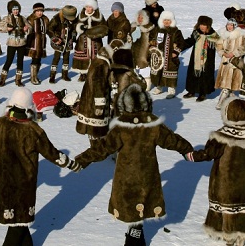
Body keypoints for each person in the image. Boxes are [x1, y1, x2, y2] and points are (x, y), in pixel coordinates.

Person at [76, 84, 192, 246]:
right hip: (147, 175)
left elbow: (102, 149)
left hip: (126, 178)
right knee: (140, 207)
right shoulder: (153, 124)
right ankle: (135, 236)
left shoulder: (121, 126)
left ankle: (134, 238)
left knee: (132, 211)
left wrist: (81, 160)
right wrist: (188, 151)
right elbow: (172, 140)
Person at [0, 88, 81, 246]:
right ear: (29, 107)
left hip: (1, 181)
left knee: (19, 222)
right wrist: (71, 164)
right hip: (24, 184)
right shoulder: (33, 130)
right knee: (18, 224)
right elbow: (52, 154)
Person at [185, 98, 245, 246]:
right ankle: (243, 235)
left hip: (227, 182)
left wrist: (191, 156)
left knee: (229, 208)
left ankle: (230, 237)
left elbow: (209, 153)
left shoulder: (221, 135)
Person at [150, 11, 187, 99]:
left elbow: (181, 43)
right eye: (165, 20)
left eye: (168, 20)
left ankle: (171, 89)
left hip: (170, 57)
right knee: (159, 72)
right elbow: (151, 38)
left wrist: (176, 52)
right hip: (159, 56)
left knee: (171, 72)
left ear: (172, 21)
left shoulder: (176, 31)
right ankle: (159, 87)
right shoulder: (157, 30)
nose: (166, 22)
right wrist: (152, 45)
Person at [182, 16, 220, 102]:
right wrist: (180, 45)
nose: (202, 27)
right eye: (201, 24)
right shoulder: (196, 33)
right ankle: (191, 91)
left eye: (204, 25)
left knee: (205, 76)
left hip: (207, 60)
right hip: (195, 58)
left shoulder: (213, 36)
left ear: (208, 26)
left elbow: (220, 45)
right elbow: (190, 41)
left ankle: (203, 93)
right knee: (193, 74)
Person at [214, 18, 245, 108]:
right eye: (228, 25)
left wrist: (233, 54)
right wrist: (223, 53)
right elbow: (218, 45)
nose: (229, 27)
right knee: (225, 80)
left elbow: (243, 47)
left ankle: (226, 97)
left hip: (235, 60)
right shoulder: (223, 34)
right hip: (225, 59)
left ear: (235, 26)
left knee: (233, 80)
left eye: (231, 25)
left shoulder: (241, 35)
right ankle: (224, 98)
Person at [72, 0, 108, 82]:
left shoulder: (99, 16)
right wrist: (79, 28)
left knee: (95, 57)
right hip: (82, 41)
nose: (88, 9)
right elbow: (75, 25)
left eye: (90, 7)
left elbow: (104, 27)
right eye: (87, 7)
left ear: (94, 8)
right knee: (83, 57)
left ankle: (95, 73)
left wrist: (98, 32)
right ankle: (83, 74)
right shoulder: (81, 15)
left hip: (95, 41)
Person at [0, 0, 30, 87]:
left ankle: (18, 79)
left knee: (20, 61)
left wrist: (27, 29)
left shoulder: (22, 18)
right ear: (11, 10)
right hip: (11, 42)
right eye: (14, 9)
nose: (16, 11)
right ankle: (2, 79)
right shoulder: (7, 18)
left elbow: (30, 27)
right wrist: (7, 28)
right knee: (9, 60)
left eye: (17, 9)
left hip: (21, 42)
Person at [47, 5, 78, 83]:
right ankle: (52, 76)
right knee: (56, 58)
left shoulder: (73, 20)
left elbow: (74, 29)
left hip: (68, 41)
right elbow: (49, 29)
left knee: (66, 58)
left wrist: (74, 37)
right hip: (58, 42)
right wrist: (55, 38)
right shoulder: (56, 19)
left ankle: (65, 75)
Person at [26, 2, 49, 85]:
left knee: (39, 60)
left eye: (41, 11)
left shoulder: (45, 19)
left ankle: (36, 75)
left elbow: (48, 30)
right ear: (34, 11)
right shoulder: (31, 18)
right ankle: (33, 77)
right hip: (34, 42)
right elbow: (28, 29)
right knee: (35, 59)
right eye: (38, 11)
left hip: (42, 43)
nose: (40, 13)